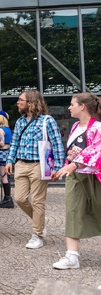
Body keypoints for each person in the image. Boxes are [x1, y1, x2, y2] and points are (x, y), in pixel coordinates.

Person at [5, 90, 65, 249]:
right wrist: (10, 160)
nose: (18, 102)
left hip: (40, 165)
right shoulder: (19, 122)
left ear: (30, 103)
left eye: (21, 100)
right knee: (19, 199)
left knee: (38, 201)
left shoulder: (47, 121)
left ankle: (37, 235)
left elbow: (57, 144)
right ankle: (40, 220)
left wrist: (57, 168)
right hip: (21, 164)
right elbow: (14, 143)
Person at [50, 93, 101, 270]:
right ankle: (72, 256)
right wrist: (63, 168)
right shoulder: (75, 128)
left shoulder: (98, 128)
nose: (69, 108)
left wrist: (73, 165)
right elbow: (72, 152)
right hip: (75, 176)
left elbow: (97, 151)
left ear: (82, 107)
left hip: (94, 177)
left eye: (72, 104)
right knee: (72, 212)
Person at [0, 111, 14, 208]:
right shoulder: (8, 129)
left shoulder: (1, 130)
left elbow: (2, 143)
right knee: (7, 176)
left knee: (3, 176)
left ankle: (7, 198)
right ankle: (8, 197)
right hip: (8, 153)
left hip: (2, 153)